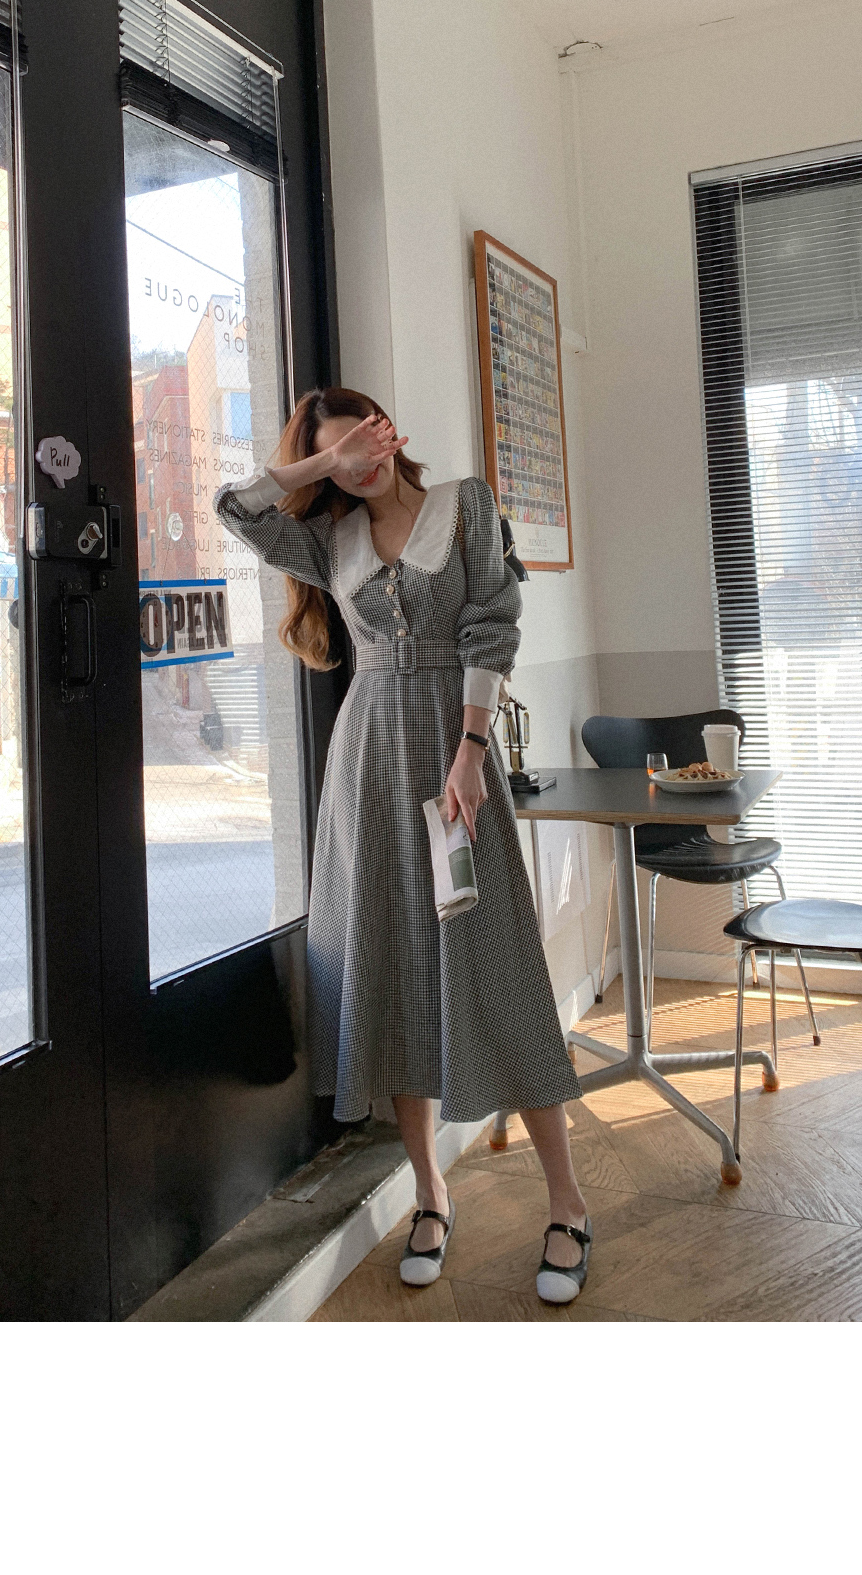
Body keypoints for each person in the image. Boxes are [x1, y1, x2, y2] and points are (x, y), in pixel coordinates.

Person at [216, 385, 592, 1305]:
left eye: (367, 442)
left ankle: (568, 1201)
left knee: (495, 959)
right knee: (389, 972)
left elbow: (492, 624)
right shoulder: (329, 538)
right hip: (367, 765)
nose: (360, 464)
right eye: (340, 455)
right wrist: (318, 463)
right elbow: (235, 508)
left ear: (392, 433)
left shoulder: (464, 505)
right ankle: (430, 1192)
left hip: (452, 758)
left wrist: (471, 750)